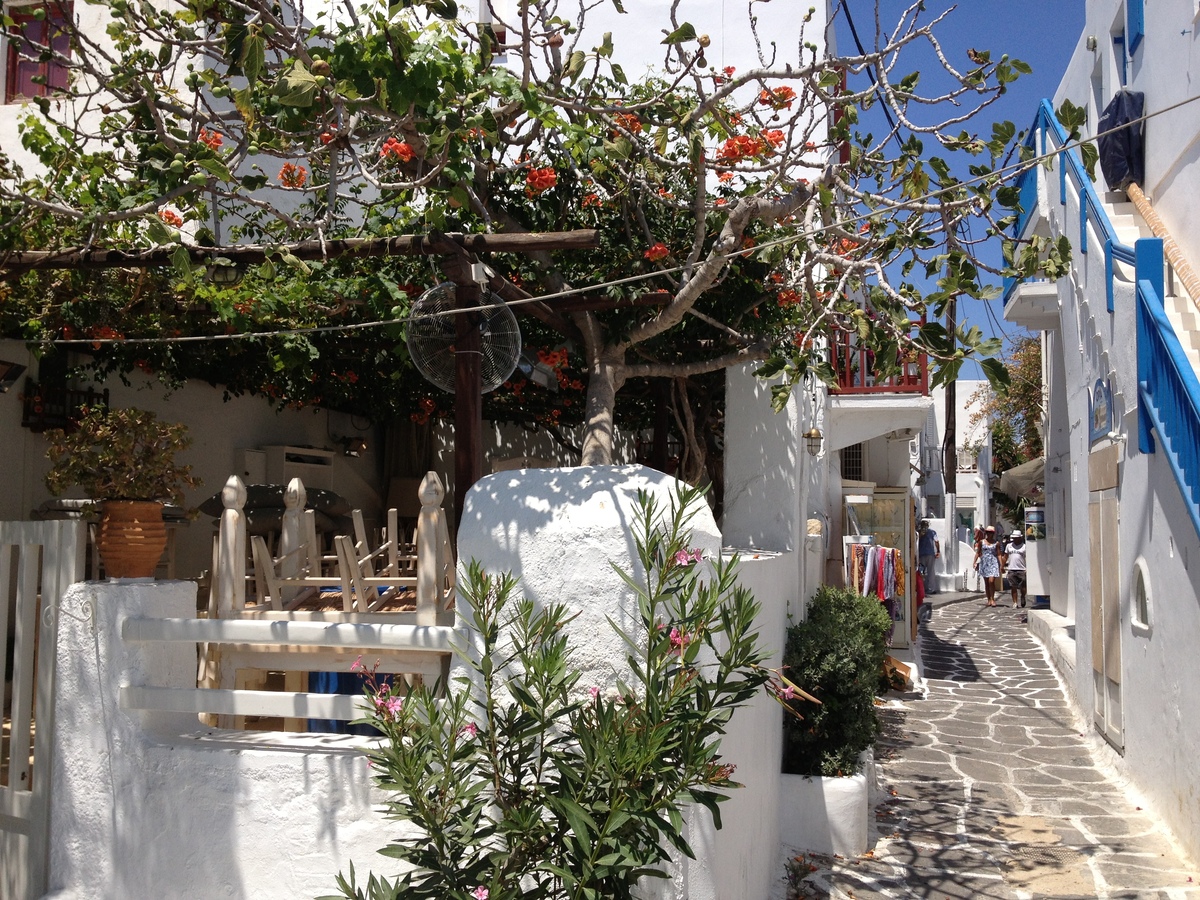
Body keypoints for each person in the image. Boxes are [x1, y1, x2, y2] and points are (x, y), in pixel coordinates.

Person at [974, 525, 1002, 607]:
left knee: (991, 581)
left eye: (991, 533)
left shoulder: (996, 543)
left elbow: (999, 554)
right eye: (988, 532)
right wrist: (975, 561)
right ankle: (989, 599)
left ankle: (993, 598)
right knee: (987, 582)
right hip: (984, 563)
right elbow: (978, 552)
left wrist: (1001, 565)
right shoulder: (981, 542)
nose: (989, 534)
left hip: (993, 563)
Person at [1005, 529, 1028, 608]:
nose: (1015, 539)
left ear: (1020, 538)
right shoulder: (1009, 546)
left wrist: (1027, 568)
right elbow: (1005, 556)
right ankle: (1015, 602)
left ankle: (1023, 596)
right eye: (1014, 538)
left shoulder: (1025, 547)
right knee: (1013, 586)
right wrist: (1002, 566)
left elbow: (1028, 558)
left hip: (1022, 569)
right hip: (1011, 568)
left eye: (1016, 538)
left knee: (1023, 586)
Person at [917, 520, 940, 595]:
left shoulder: (918, 532)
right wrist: (938, 551)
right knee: (931, 571)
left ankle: (921, 588)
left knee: (921, 572)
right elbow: (936, 541)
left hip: (921, 554)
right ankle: (931, 589)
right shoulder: (932, 532)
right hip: (930, 554)